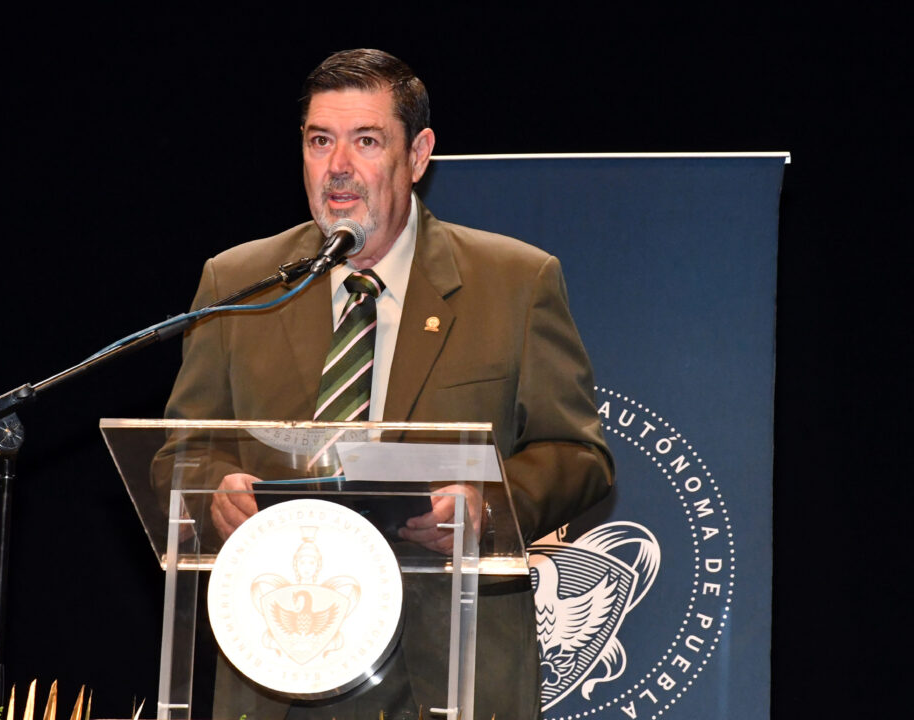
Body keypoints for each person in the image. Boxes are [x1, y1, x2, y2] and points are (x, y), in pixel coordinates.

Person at [160, 48, 613, 719]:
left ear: (418, 154)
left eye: (366, 141)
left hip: (449, 667)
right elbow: (181, 452)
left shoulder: (515, 282)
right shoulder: (239, 283)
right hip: (279, 660)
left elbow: (578, 457)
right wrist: (213, 492)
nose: (338, 166)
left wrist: (487, 506)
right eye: (320, 141)